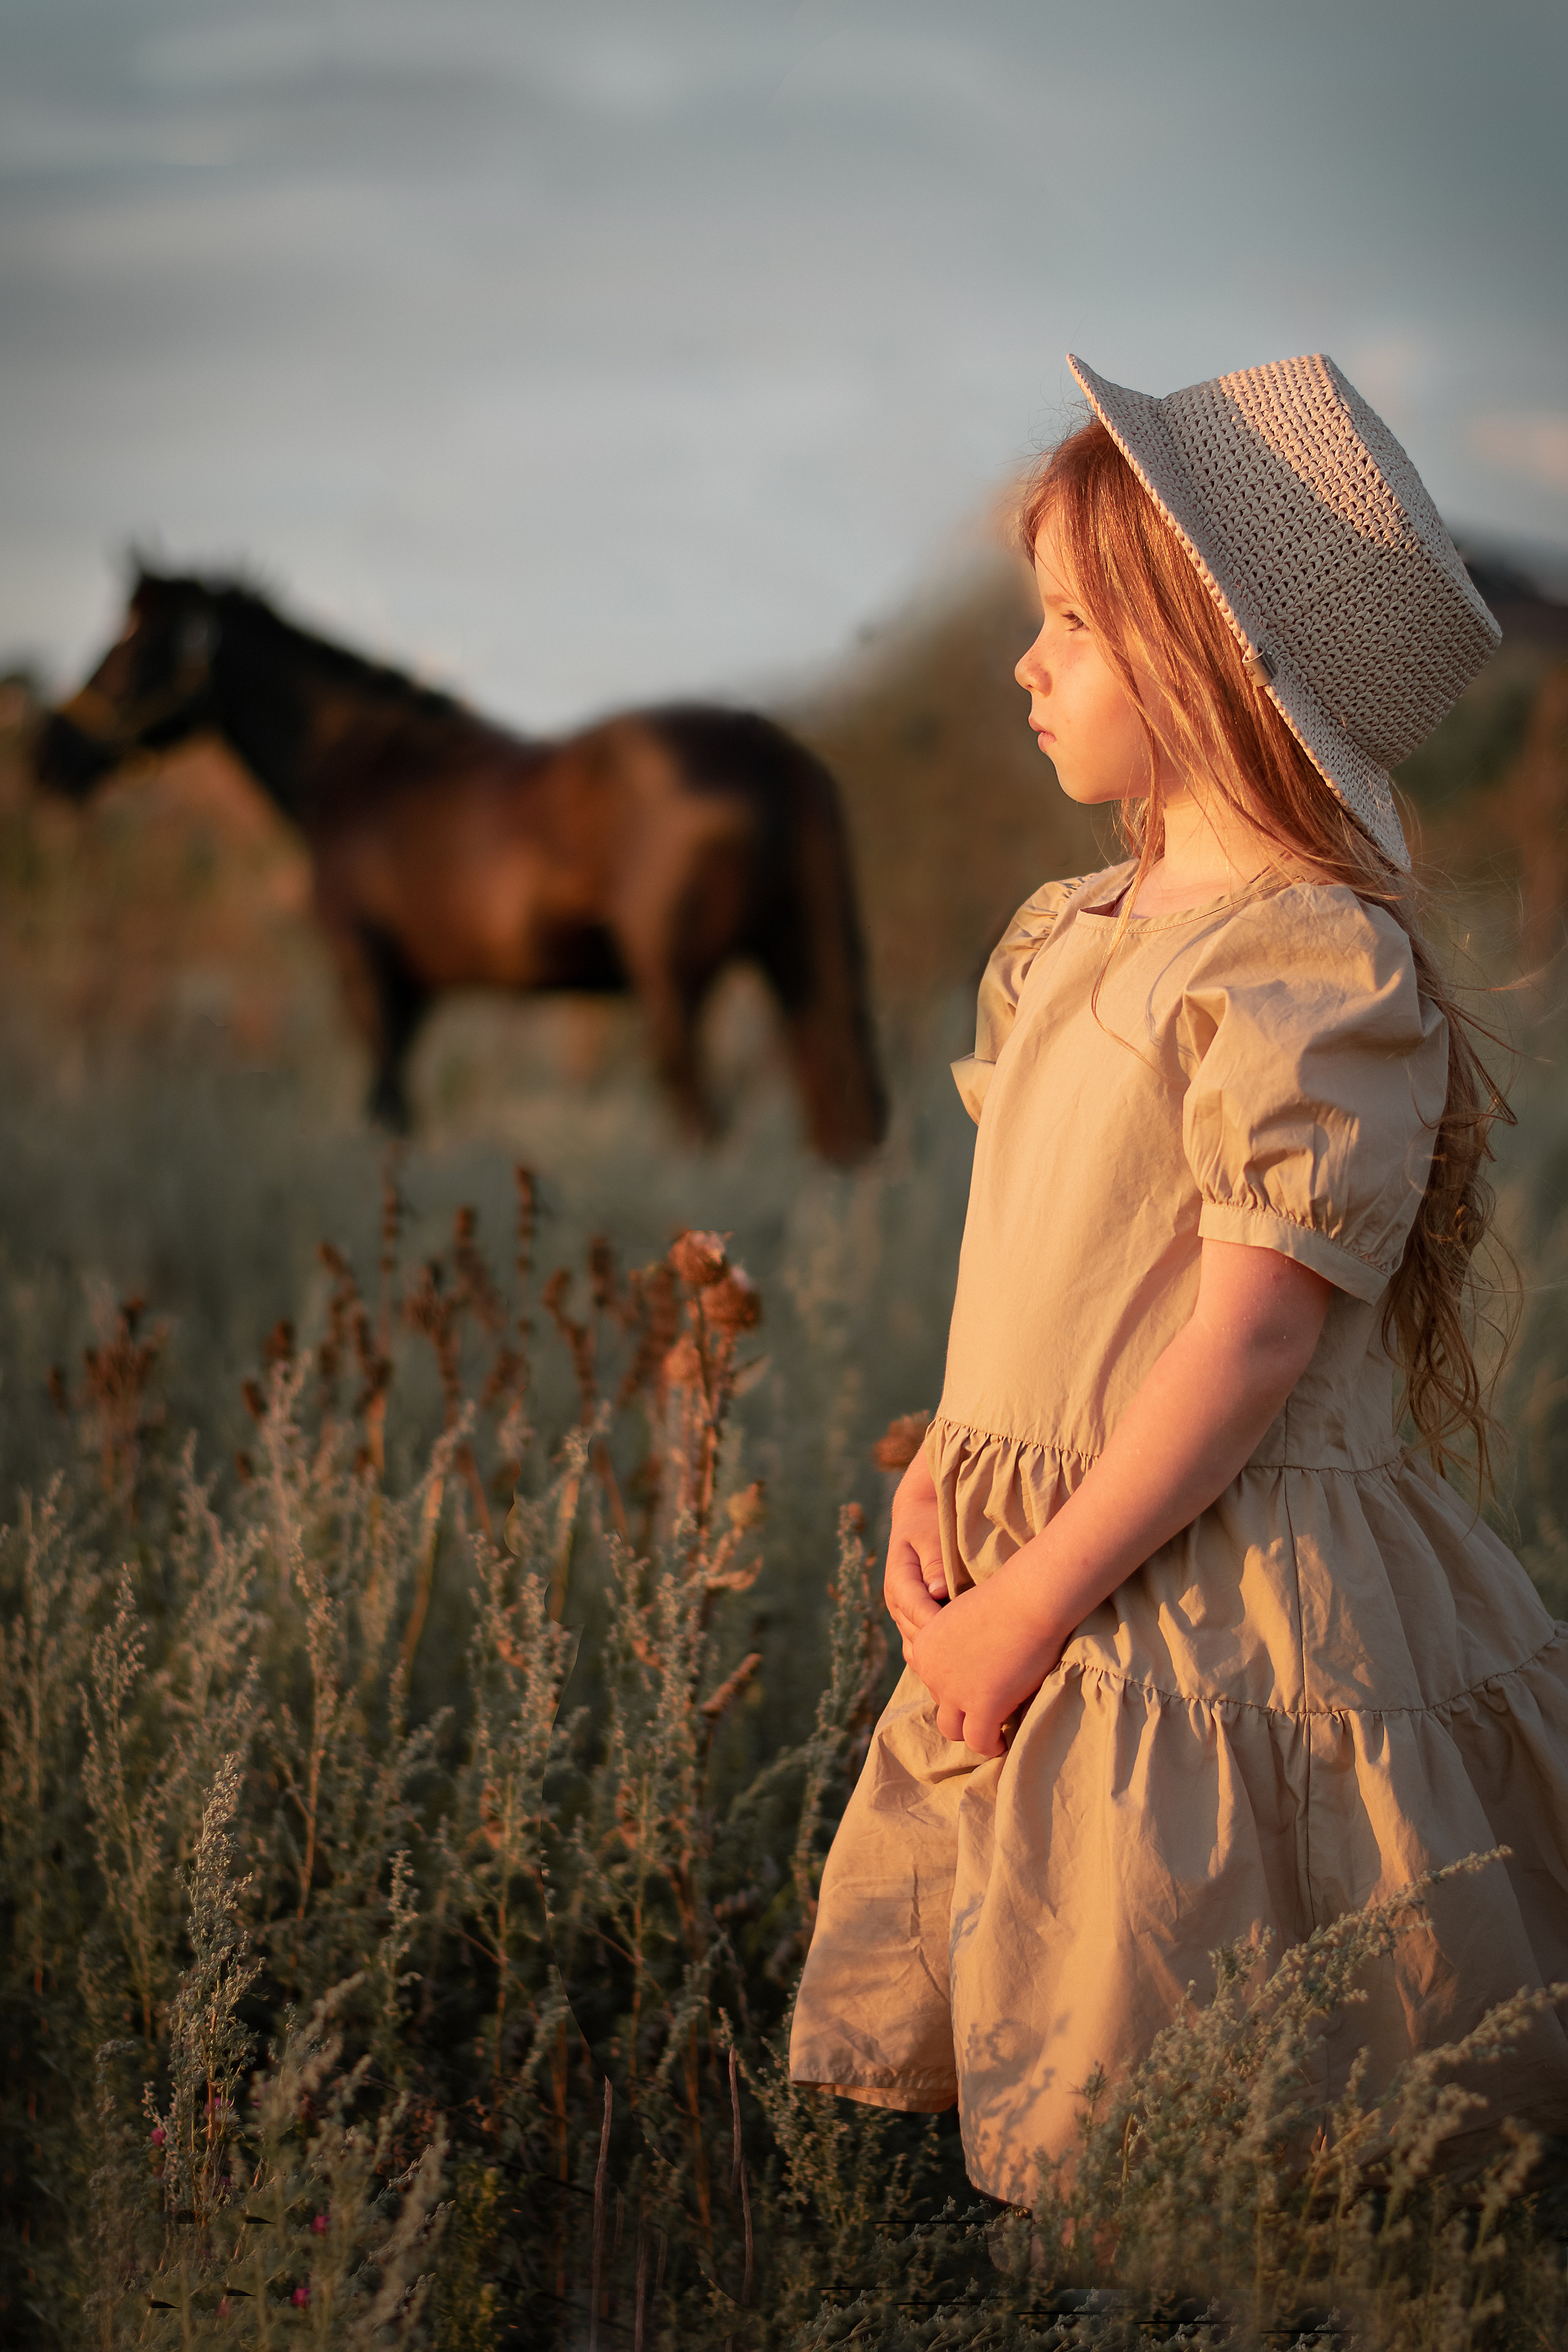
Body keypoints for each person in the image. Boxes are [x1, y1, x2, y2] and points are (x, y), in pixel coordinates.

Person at [788, 353, 1568, 2206]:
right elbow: (1044, 1266)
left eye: (1071, 621)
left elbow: (1245, 1342)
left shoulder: (1303, 961)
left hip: (1202, 1586)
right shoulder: (1076, 930)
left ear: (1210, 658)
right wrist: (942, 1462)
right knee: (1061, 2032)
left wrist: (1031, 1604)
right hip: (1043, 1547)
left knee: (1210, 2063)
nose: (1024, 665)